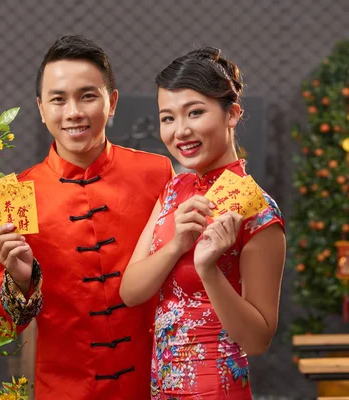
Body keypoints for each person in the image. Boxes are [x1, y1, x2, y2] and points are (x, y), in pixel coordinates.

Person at [0, 35, 173, 399]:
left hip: (154, 383)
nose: (73, 112)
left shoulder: (156, 172)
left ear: (111, 102)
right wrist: (20, 281)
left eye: (88, 96)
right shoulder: (15, 193)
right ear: (41, 109)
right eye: (58, 99)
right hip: (65, 389)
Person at [119, 47, 286, 399]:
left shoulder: (258, 211)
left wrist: (208, 269)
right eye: (168, 118)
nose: (180, 131)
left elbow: (257, 341)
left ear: (232, 114)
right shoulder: (173, 191)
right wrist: (178, 244)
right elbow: (130, 292)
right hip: (161, 387)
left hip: (215, 387)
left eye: (195, 112)